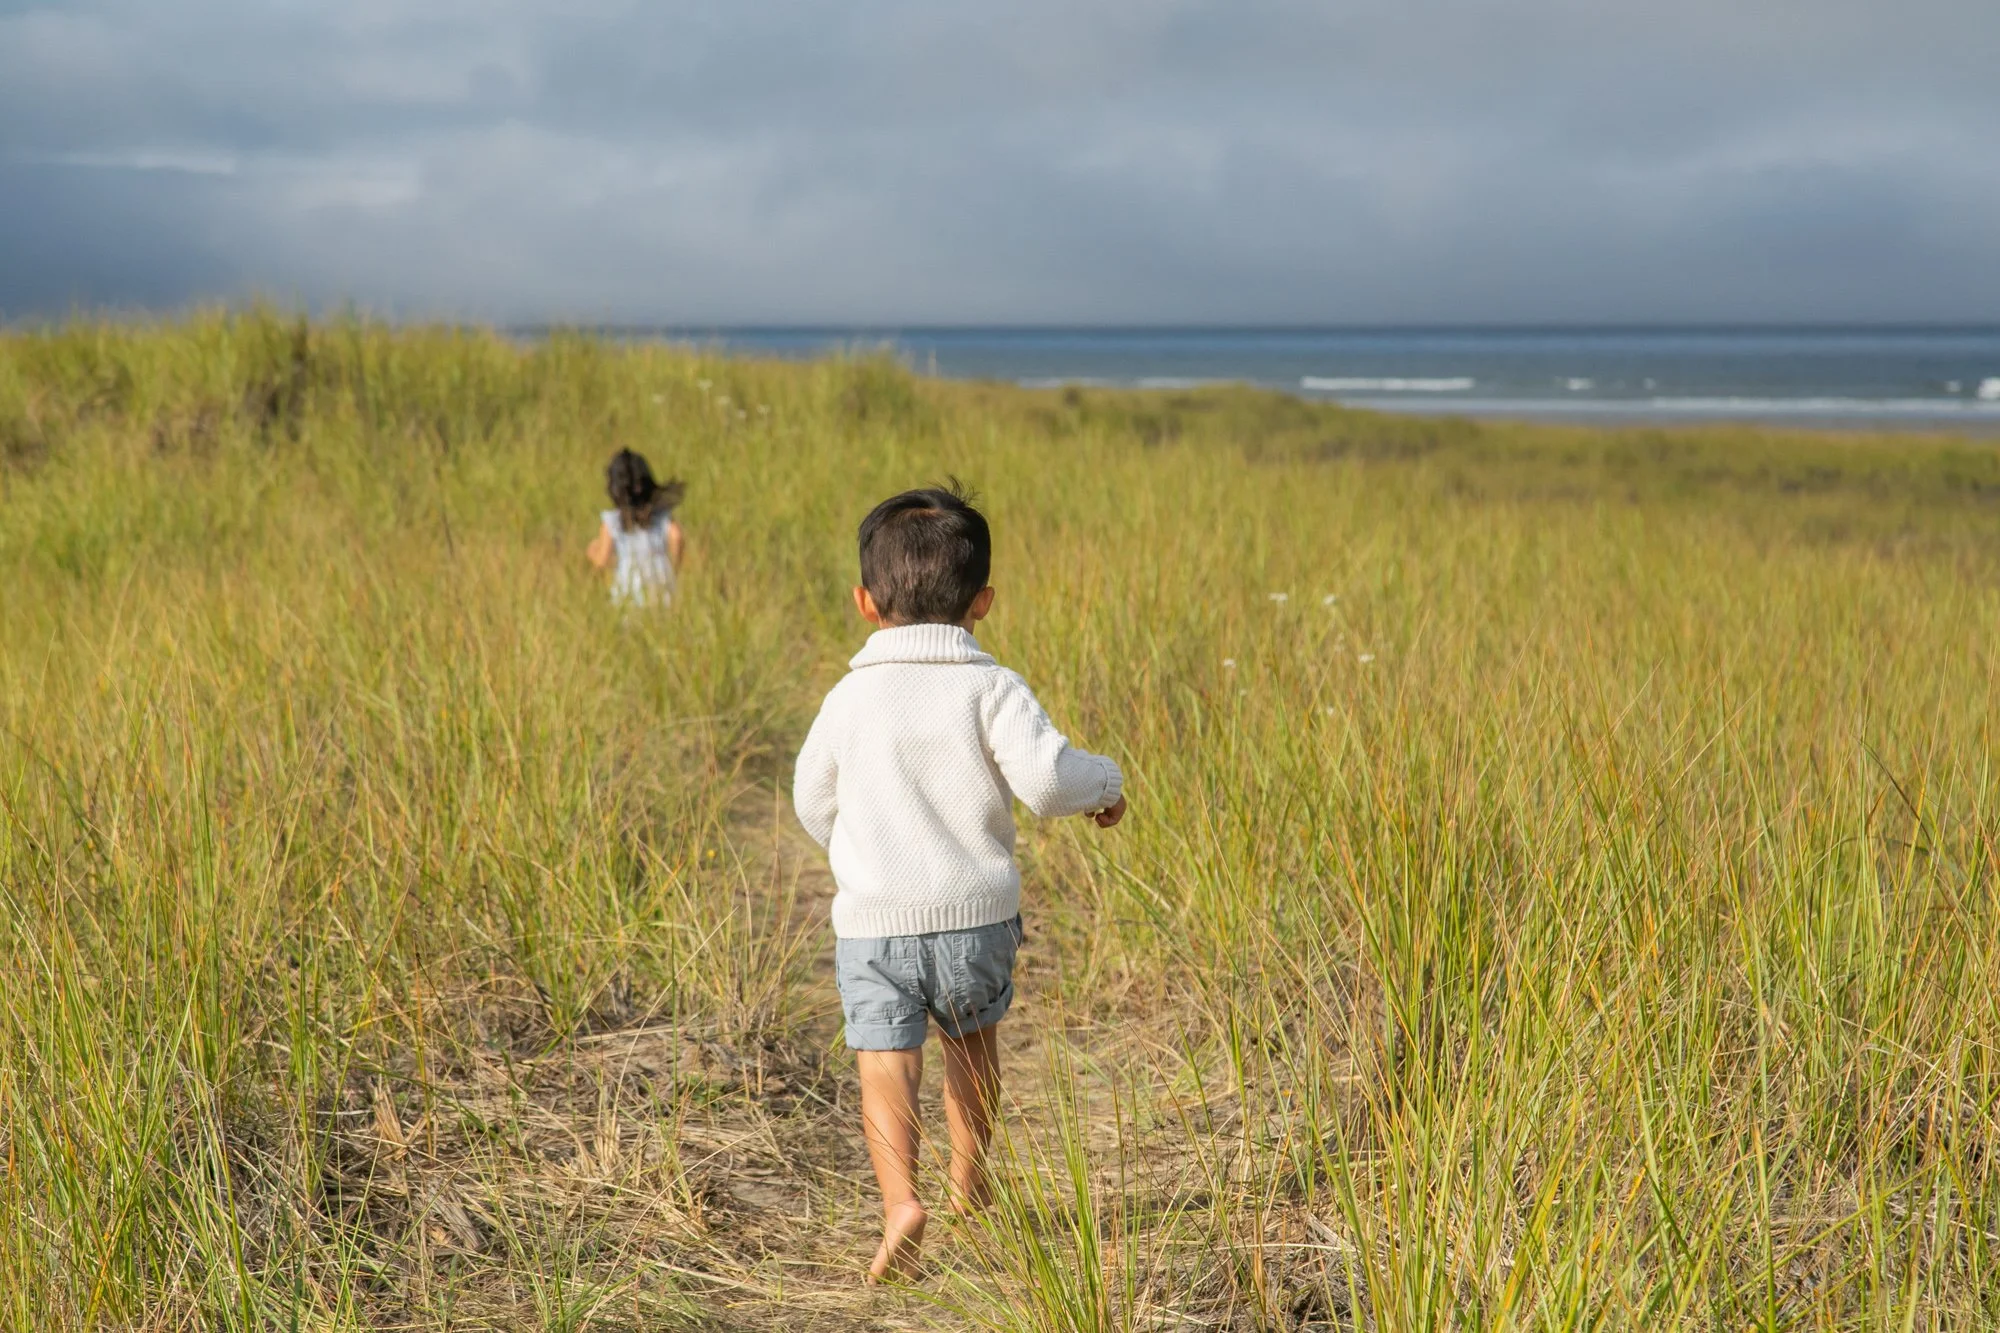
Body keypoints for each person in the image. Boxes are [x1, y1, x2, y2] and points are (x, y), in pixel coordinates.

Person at [792, 482, 1127, 1283]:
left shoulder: (848, 697)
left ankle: (900, 1203)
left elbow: (810, 796)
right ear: (983, 601)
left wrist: (860, 852)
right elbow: (1048, 781)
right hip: (974, 919)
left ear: (865, 602)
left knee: (885, 1062)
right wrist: (1107, 782)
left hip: (874, 925)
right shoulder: (991, 686)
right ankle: (968, 1182)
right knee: (971, 1050)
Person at [586, 449, 685, 607]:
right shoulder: (661, 517)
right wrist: (673, 567)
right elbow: (677, 536)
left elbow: (602, 561)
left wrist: (593, 553)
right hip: (661, 591)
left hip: (628, 594)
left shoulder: (613, 521)